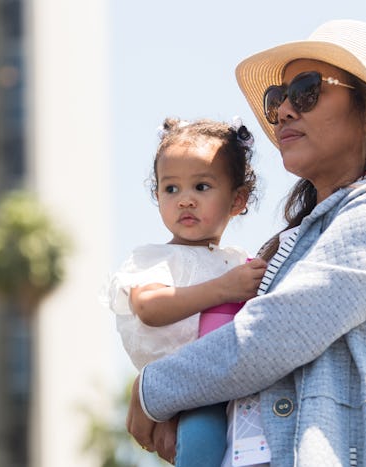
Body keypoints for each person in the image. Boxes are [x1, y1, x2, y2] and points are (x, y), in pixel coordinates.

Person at [126, 19, 366, 467]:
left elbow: (274, 334)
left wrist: (152, 390)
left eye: (307, 90)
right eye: (277, 98)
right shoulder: (294, 239)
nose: (284, 110)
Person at [104, 117, 269, 466]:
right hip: (186, 390)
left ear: (238, 200)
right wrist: (225, 288)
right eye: (171, 189)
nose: (185, 201)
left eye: (202, 187)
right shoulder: (156, 257)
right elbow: (149, 306)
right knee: (202, 442)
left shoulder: (238, 261)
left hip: (236, 384)